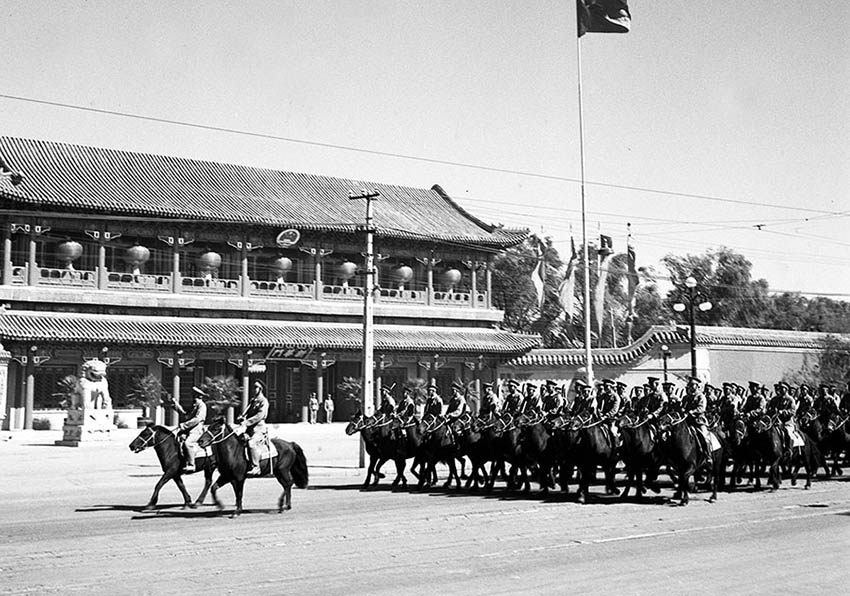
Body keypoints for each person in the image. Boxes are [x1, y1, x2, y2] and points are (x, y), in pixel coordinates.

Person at [171, 386, 208, 472]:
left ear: (199, 396)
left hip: (197, 430)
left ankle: (192, 465)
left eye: (194, 395)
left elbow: (198, 419)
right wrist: (175, 404)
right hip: (189, 429)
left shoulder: (202, 406)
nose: (193, 397)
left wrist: (184, 425)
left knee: (188, 443)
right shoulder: (195, 406)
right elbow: (185, 414)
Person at [237, 379, 270, 476]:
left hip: (259, 429)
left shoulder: (263, 401)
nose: (254, 389)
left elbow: (260, 415)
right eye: (254, 387)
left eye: (256, 387)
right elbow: (246, 412)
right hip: (249, 429)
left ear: (260, 389)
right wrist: (242, 417)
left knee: (251, 443)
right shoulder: (253, 400)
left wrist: (246, 422)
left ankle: (256, 467)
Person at [681, 376, 712, 469]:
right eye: (689, 385)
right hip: (687, 421)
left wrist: (692, 411)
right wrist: (682, 409)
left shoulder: (701, 396)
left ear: (697, 386)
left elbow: (701, 408)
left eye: (692, 385)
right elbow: (683, 406)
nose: (690, 387)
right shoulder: (686, 397)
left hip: (698, 421)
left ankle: (708, 456)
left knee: (704, 437)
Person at [767, 381, 801, 458]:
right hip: (775, 422)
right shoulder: (775, 399)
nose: (780, 390)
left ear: (786, 389)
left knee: (788, 433)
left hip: (787, 422)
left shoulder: (790, 399)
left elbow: (793, 411)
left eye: (783, 388)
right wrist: (772, 411)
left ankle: (789, 450)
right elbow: (769, 408)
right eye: (780, 388)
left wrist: (783, 412)